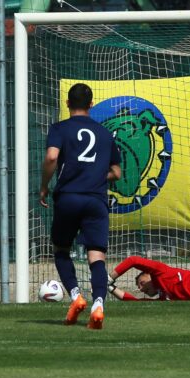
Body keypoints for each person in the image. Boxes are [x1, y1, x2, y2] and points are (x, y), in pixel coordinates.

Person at [39, 83, 122, 329]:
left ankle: (76, 297)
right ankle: (99, 304)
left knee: (61, 249)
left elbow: (52, 157)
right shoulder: (105, 134)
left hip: (68, 198)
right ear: (91, 104)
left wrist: (44, 185)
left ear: (67, 103)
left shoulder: (60, 128)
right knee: (96, 255)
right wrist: (96, 175)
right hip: (96, 200)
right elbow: (116, 172)